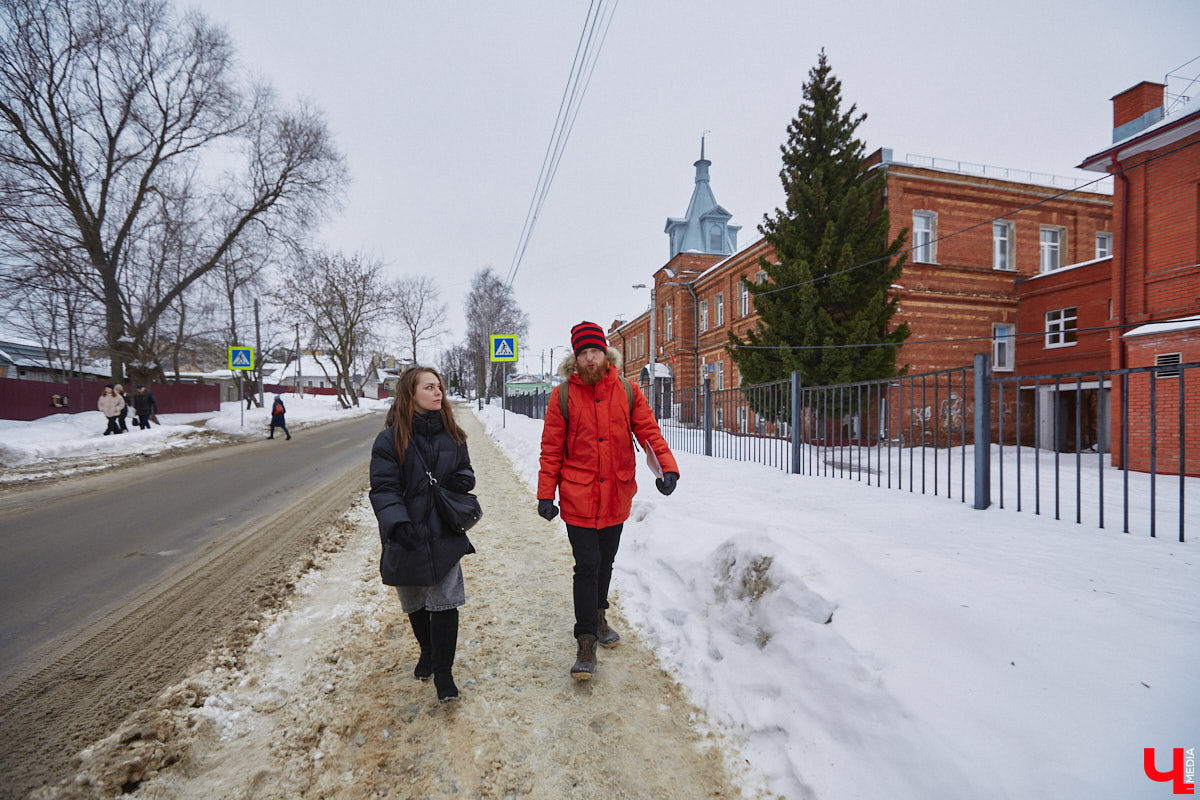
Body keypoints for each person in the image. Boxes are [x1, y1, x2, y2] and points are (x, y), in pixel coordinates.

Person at [537, 321, 680, 680]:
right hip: (578, 495)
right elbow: (551, 449)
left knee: (605, 562)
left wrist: (667, 468)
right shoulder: (563, 397)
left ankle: (600, 615)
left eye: (595, 351)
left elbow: (649, 432)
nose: (590, 359)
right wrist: (545, 494)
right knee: (586, 565)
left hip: (616, 492)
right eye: (583, 353)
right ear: (575, 356)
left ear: (606, 354)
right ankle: (585, 640)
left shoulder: (629, 391)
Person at [369, 367, 476, 703]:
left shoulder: (453, 434)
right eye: (429, 387)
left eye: (439, 386)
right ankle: (427, 651)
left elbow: (466, 471)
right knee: (415, 601)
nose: (438, 392)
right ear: (410, 393)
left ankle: (444, 674)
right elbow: (384, 488)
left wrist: (462, 482)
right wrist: (398, 524)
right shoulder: (390, 440)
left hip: (443, 531)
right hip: (407, 534)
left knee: (444, 602)